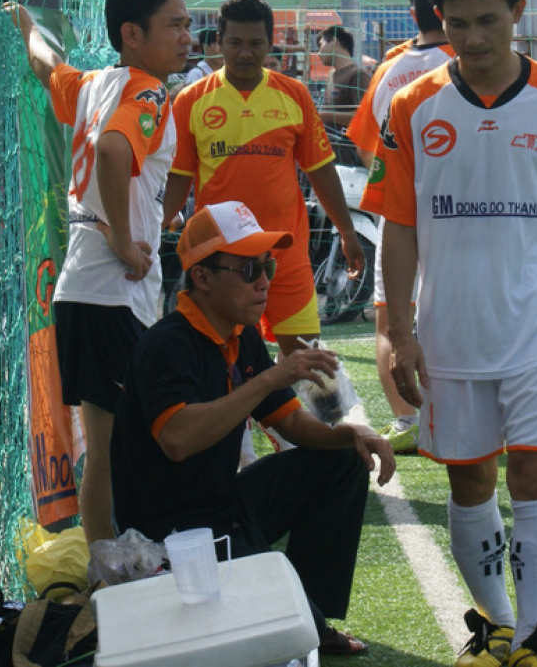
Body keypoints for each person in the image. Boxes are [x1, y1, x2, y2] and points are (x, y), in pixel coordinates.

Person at [362, 0, 537, 667]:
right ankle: (496, 627)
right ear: (437, 21)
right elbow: (400, 223)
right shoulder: (413, 106)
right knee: (468, 474)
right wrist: (399, 330)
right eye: (457, 24)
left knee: (534, 470)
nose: (474, 39)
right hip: (450, 329)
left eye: (488, 20)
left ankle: (535, 639)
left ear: (517, 12)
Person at [110, 201, 395, 657]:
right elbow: (178, 440)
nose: (264, 279)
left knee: (340, 462)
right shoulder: (166, 345)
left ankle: (312, 614)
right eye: (248, 269)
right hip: (172, 536)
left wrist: (351, 435)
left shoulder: (239, 337)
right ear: (201, 278)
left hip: (224, 505)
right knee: (268, 636)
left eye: (267, 264)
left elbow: (294, 425)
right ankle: (302, 617)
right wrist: (270, 377)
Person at [8, 0, 193, 544]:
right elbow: (114, 149)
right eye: (176, 25)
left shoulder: (93, 84)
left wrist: (25, 27)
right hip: (112, 294)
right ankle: (118, 570)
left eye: (188, 24)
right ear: (132, 34)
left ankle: (106, 572)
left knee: (108, 451)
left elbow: (46, 69)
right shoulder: (146, 92)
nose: (188, 36)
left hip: (82, 292)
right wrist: (118, 236)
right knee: (126, 449)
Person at [163, 0, 364, 355]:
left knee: (307, 361)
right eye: (235, 43)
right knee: (222, 363)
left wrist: (347, 232)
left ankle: (323, 415)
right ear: (218, 44)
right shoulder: (190, 101)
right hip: (222, 262)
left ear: (270, 43)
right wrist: (159, 226)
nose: (245, 53)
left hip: (286, 258)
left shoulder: (294, 94)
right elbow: (179, 176)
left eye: (255, 43)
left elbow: (321, 170)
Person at [347, 0, 452, 454]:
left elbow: (368, 149)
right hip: (458, 217)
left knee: (392, 318)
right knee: (453, 312)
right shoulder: (473, 61)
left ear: (413, 16)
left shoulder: (390, 70)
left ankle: (408, 420)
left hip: (399, 215)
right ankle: (460, 416)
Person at [317, 25, 371, 131]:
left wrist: (325, 116)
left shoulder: (357, 75)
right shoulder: (331, 74)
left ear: (333, 41)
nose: (318, 53)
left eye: (321, 45)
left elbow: (365, 115)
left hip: (349, 145)